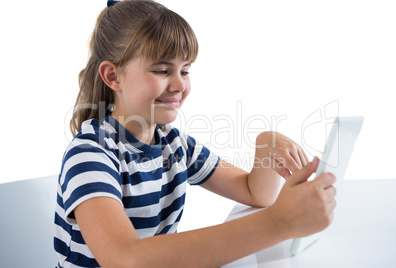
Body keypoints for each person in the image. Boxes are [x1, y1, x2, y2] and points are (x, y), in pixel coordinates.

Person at [54, 0, 336, 267]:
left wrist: (266, 143)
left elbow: (254, 192)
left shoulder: (176, 146)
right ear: (113, 77)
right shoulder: (90, 155)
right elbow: (124, 259)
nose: (179, 85)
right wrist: (278, 223)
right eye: (163, 70)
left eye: (185, 70)